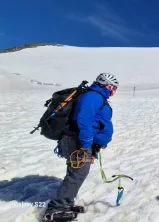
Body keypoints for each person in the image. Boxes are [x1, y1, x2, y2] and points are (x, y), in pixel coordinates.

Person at [43, 73, 119, 221]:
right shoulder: (94, 96)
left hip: (80, 141)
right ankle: (56, 209)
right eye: (113, 87)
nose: (114, 91)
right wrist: (86, 143)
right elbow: (84, 119)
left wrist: (97, 142)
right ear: (107, 85)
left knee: (77, 173)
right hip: (77, 141)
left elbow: (95, 121)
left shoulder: (96, 96)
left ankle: (65, 203)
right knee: (77, 173)